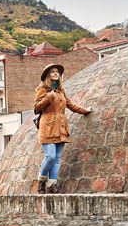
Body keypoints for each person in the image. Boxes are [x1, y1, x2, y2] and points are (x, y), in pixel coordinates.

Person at [34, 63, 91, 194]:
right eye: (53, 72)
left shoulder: (60, 90)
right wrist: (49, 97)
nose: (56, 74)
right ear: (47, 75)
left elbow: (70, 104)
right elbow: (37, 107)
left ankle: (52, 184)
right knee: (50, 156)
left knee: (57, 158)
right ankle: (42, 181)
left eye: (57, 72)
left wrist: (84, 111)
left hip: (61, 127)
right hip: (48, 126)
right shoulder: (42, 89)